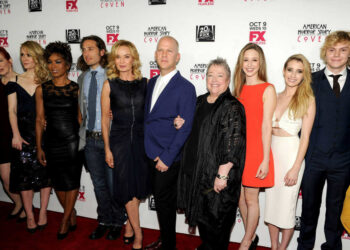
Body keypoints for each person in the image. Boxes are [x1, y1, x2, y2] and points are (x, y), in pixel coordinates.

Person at [177, 58, 246, 250]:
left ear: (228, 79)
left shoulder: (232, 106)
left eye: (220, 75)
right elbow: (196, 127)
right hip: (198, 174)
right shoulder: (199, 101)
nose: (214, 80)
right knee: (205, 221)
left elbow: (234, 143)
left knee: (217, 223)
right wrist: (182, 123)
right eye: (210, 75)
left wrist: (222, 175)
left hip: (216, 178)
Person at [297, 30, 350, 250]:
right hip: (314, 159)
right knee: (309, 208)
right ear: (324, 52)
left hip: (344, 160)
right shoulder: (309, 82)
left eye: (343, 50)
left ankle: (333, 246)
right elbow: (297, 120)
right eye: (332, 49)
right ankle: (305, 247)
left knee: (335, 211)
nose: (336, 55)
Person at [144, 36, 196, 250]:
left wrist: (167, 157)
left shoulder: (186, 87)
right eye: (160, 50)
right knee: (161, 203)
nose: (164, 54)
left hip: (167, 158)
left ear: (178, 56)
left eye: (169, 51)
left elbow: (185, 127)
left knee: (165, 205)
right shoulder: (151, 82)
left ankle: (169, 245)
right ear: (156, 55)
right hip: (148, 152)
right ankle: (165, 239)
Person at [101, 40, 151, 250]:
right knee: (127, 188)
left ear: (134, 59)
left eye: (126, 56)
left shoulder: (145, 83)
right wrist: (107, 148)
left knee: (138, 187)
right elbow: (105, 119)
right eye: (118, 57)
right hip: (119, 141)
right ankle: (138, 235)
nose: (122, 61)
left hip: (141, 140)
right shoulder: (108, 84)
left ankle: (130, 225)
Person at [77, 35, 126, 240]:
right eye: (83, 49)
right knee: (98, 185)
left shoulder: (114, 76)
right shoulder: (82, 77)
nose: (86, 53)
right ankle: (104, 220)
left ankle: (117, 221)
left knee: (114, 183)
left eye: (91, 48)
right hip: (89, 140)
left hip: (110, 140)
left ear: (102, 51)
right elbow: (82, 110)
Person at [264, 54, 315, 250]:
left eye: (299, 71)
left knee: (286, 207)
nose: (293, 75)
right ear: (284, 71)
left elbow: (306, 138)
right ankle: (273, 246)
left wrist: (295, 168)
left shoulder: (307, 100)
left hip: (291, 154)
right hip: (272, 153)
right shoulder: (274, 96)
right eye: (290, 70)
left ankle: (282, 248)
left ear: (304, 75)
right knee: (271, 205)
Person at [35, 41, 82, 239]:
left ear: (67, 65)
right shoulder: (42, 89)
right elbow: (39, 119)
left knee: (71, 182)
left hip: (72, 141)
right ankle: (71, 212)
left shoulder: (76, 89)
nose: (53, 66)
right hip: (52, 141)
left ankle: (65, 219)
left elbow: (81, 118)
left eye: (58, 62)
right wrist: (39, 146)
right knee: (57, 182)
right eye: (50, 62)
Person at [234, 43, 276, 250]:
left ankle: (247, 240)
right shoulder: (237, 88)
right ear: (241, 63)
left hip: (256, 151)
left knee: (251, 198)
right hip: (238, 150)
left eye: (254, 60)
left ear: (260, 63)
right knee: (239, 197)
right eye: (246, 60)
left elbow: (267, 125)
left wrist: (265, 159)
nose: (249, 65)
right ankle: (251, 235)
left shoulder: (267, 89)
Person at [7, 41, 51, 233]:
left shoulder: (47, 80)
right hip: (23, 137)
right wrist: (15, 135)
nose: (24, 59)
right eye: (22, 55)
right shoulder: (13, 82)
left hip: (45, 137)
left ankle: (43, 212)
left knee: (45, 177)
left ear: (37, 57)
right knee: (24, 178)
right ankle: (30, 215)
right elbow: (12, 111)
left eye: (28, 55)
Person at [0, 47, 25, 220]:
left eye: (1, 60)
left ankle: (26, 208)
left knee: (21, 177)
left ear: (9, 60)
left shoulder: (21, 80)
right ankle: (19, 204)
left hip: (19, 134)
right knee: (5, 178)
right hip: (1, 135)